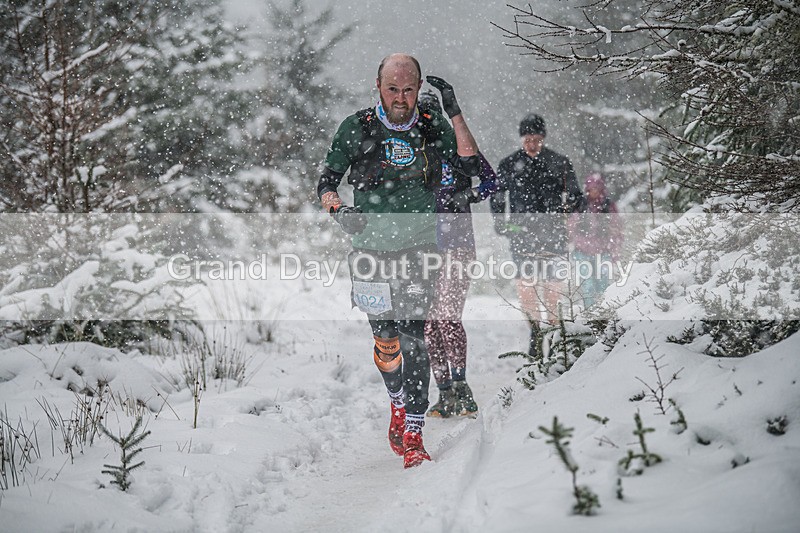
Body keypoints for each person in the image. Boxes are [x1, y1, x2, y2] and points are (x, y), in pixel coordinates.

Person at [317, 54, 481, 468]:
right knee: (387, 344)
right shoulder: (356, 128)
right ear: (378, 86)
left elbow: (469, 164)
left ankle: (413, 430)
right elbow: (325, 183)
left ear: (418, 86)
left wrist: (453, 111)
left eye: (408, 89)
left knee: (415, 338)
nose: (401, 98)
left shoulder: (429, 122)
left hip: (419, 249)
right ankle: (396, 402)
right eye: (393, 89)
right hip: (370, 253)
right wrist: (340, 212)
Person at [417, 89, 497, 419]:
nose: (427, 123)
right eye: (421, 118)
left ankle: (463, 388)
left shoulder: (456, 149)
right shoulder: (413, 152)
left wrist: (468, 195)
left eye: (431, 115)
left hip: (459, 246)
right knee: (428, 325)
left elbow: (492, 181)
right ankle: (445, 393)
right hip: (422, 249)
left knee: (448, 317)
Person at [490, 113, 584, 355]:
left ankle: (554, 337)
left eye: (536, 138)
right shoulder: (509, 164)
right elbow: (498, 197)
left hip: (554, 235)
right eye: (527, 138)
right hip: (521, 236)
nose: (532, 143)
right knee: (527, 287)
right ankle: (534, 334)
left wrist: (568, 208)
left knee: (554, 289)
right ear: (522, 139)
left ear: (543, 138)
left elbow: (575, 195)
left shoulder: (559, 162)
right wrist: (500, 221)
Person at [568, 173, 623, 308]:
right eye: (591, 189)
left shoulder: (609, 207)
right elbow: (570, 228)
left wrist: (614, 251)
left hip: (603, 252)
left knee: (603, 286)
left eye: (596, 188)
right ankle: (590, 315)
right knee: (587, 286)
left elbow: (617, 230)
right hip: (582, 253)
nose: (594, 192)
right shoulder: (580, 205)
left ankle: (603, 313)